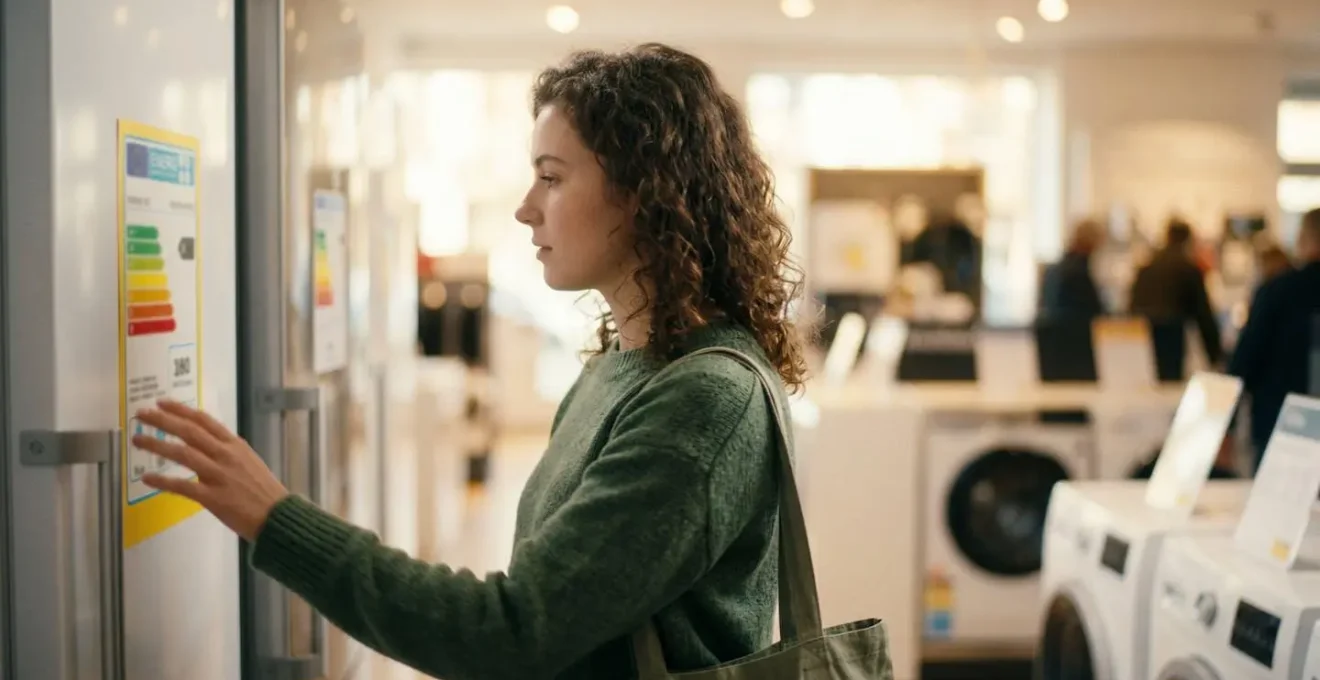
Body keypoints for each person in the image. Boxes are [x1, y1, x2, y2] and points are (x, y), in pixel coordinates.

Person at [132, 44, 807, 679]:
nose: (524, 208)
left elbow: (511, 631)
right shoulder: (618, 367)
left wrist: (275, 517)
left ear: (643, 193)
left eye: (551, 178)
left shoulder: (708, 399)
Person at [1228, 208, 1320, 469]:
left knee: (1276, 502)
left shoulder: (1279, 289)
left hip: (1280, 422)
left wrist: (1228, 424)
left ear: (1304, 238)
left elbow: (1245, 358)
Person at [1128, 218, 1224, 365]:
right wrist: (1215, 355)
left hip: (1142, 336)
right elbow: (1203, 313)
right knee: (1170, 383)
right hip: (1171, 337)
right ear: (1187, 240)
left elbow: (1132, 305)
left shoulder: (1147, 266)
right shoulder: (1188, 269)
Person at [1038, 218, 1106, 320]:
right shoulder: (1077, 271)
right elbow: (1093, 307)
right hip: (1072, 331)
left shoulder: (1056, 268)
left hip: (1054, 332)